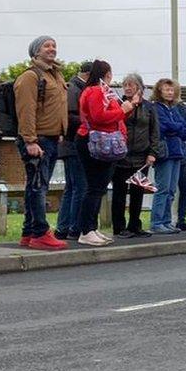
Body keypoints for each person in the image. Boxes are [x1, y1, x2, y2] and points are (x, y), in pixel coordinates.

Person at [13, 36, 69, 250]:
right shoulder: (30, 76)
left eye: (54, 45)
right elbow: (26, 110)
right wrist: (30, 140)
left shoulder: (55, 74)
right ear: (36, 52)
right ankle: (40, 233)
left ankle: (29, 232)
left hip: (52, 138)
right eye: (46, 46)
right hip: (38, 140)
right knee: (38, 187)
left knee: (36, 186)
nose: (52, 49)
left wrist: (61, 131)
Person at [76, 60, 134, 247]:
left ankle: (91, 228)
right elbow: (98, 116)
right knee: (94, 186)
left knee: (99, 187)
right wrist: (122, 110)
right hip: (94, 141)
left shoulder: (101, 91)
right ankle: (85, 230)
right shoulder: (95, 91)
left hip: (101, 140)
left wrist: (124, 111)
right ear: (106, 74)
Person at [110, 74, 161, 238]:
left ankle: (135, 225)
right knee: (119, 193)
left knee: (138, 192)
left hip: (141, 157)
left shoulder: (149, 107)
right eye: (125, 85)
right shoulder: (119, 104)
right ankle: (119, 227)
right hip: (122, 157)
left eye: (131, 85)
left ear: (139, 87)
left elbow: (154, 131)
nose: (127, 88)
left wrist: (153, 152)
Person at [54, 61, 91, 241]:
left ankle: (63, 227)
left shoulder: (74, 87)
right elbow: (69, 115)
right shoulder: (75, 89)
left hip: (69, 145)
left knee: (71, 188)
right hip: (73, 144)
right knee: (79, 188)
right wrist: (89, 120)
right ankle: (73, 227)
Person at [149, 79, 186, 233]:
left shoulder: (174, 109)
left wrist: (177, 128)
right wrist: (177, 128)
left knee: (172, 189)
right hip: (164, 153)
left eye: (172, 90)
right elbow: (163, 127)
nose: (170, 93)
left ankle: (166, 221)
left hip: (177, 152)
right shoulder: (156, 108)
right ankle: (156, 222)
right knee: (163, 188)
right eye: (166, 89)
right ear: (159, 91)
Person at [174, 98, 186, 231]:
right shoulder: (160, 108)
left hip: (182, 152)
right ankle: (164, 220)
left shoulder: (180, 107)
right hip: (170, 153)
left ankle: (181, 219)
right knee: (167, 189)